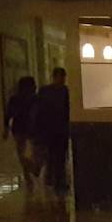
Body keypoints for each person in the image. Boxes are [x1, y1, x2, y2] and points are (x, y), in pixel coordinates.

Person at [33, 67, 71, 196]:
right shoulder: (63, 92)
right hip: (54, 129)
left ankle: (53, 179)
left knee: (55, 156)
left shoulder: (46, 91)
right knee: (56, 156)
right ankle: (56, 180)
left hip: (53, 129)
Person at [3, 76, 41, 195]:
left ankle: (28, 173)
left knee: (22, 153)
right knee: (29, 153)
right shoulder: (34, 99)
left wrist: (6, 128)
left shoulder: (16, 99)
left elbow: (8, 115)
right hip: (30, 129)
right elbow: (8, 114)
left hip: (20, 128)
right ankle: (31, 170)